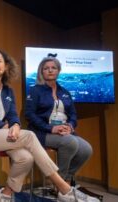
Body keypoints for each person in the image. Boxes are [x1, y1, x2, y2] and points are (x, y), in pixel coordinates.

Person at [0, 49, 100, 202]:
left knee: (26, 158)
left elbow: (13, 114)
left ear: (7, 66)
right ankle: (64, 188)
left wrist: (15, 124)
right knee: (29, 135)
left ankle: (5, 195)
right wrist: (5, 126)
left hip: (3, 135)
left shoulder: (8, 90)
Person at [25, 56, 93, 185]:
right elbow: (29, 115)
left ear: (58, 71)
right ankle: (59, 185)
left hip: (64, 131)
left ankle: (66, 179)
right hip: (41, 132)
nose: (50, 70)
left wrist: (70, 126)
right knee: (70, 142)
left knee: (86, 149)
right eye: (46, 68)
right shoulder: (35, 90)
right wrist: (51, 128)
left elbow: (73, 114)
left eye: (53, 68)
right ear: (41, 72)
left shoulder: (65, 91)